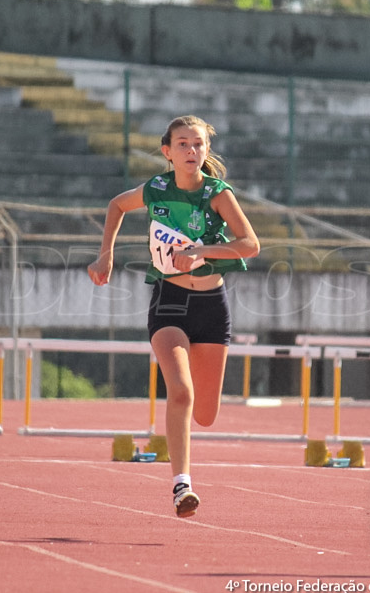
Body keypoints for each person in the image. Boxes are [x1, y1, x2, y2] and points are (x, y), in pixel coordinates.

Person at [88, 115, 260, 517]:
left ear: (206, 150)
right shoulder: (156, 189)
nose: (191, 151)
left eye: (198, 144)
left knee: (206, 414)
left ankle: (185, 453)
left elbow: (250, 244)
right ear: (167, 152)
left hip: (211, 306)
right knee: (180, 391)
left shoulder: (217, 194)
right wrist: (106, 253)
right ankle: (182, 485)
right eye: (182, 144)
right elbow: (116, 205)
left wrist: (204, 252)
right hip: (169, 300)